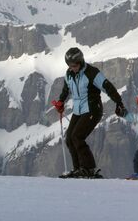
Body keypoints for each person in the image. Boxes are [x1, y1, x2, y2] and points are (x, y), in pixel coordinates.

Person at [52, 47, 127, 178]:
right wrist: (61, 102)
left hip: (93, 109)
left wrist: (119, 103)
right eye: (69, 66)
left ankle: (88, 168)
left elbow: (107, 87)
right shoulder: (69, 74)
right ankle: (78, 170)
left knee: (77, 136)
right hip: (78, 110)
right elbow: (66, 91)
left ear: (81, 62)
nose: (72, 68)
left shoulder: (92, 73)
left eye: (74, 65)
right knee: (69, 138)